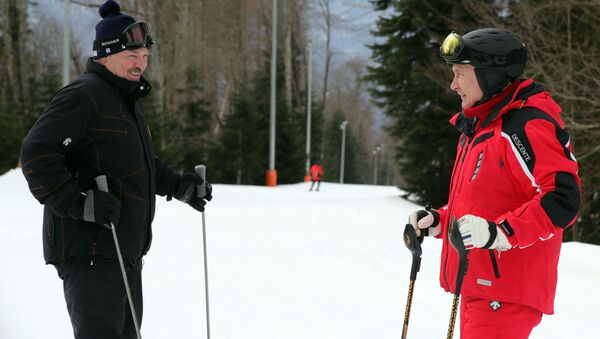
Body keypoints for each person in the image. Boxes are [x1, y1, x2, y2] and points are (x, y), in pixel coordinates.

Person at [19, 1, 212, 338]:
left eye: (144, 57)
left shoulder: (125, 101)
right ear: (105, 55)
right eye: (131, 56)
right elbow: (36, 154)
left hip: (124, 251)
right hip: (91, 251)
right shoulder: (84, 96)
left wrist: (179, 186)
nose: (141, 64)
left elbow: (138, 164)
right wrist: (80, 202)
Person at [408, 28, 581, 338]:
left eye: (460, 74)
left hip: (504, 294)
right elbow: (484, 205)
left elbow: (562, 199)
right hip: (481, 286)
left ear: (489, 75)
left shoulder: (525, 125)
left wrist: (501, 233)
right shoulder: (481, 129)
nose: (453, 84)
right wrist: (439, 221)